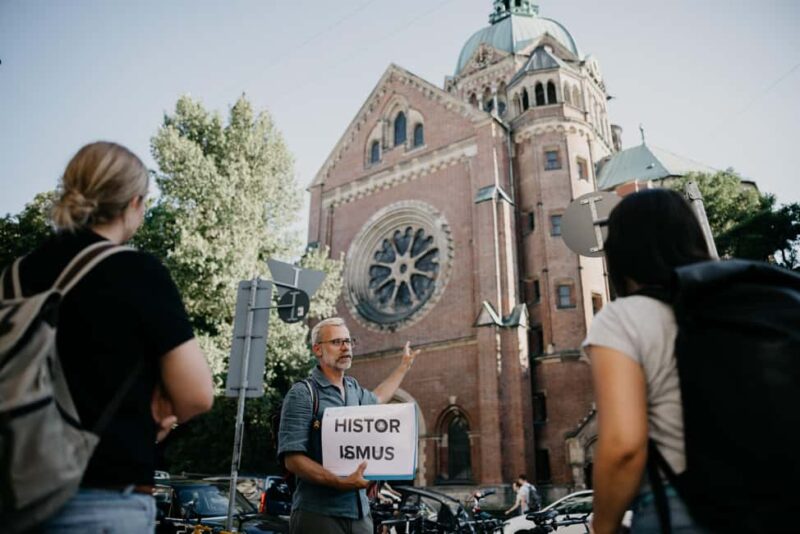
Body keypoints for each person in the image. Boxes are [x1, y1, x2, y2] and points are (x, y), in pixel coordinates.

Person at [13, 141, 214, 532]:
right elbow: (197, 394)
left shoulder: (15, 276)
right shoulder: (135, 272)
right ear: (134, 203)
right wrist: (158, 417)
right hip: (99, 498)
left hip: (15, 491)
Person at [582, 189, 711, 534]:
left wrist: (604, 527)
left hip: (682, 508)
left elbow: (623, 445)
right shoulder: (747, 303)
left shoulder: (623, 317)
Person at [277, 317, 421, 534]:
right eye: (336, 342)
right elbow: (293, 460)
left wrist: (403, 366)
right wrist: (339, 482)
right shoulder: (302, 393)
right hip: (318, 514)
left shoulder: (354, 389)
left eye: (348, 341)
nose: (346, 347)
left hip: (360, 514)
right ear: (317, 349)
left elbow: (378, 398)